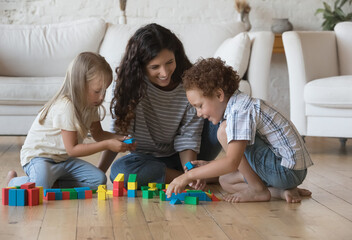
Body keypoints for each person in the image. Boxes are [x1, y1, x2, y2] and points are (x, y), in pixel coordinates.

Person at [166, 58, 313, 203]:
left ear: (219, 95)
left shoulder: (240, 110)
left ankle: (258, 190)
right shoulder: (238, 105)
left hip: (284, 170)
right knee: (226, 181)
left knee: (224, 131)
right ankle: (280, 192)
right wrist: (208, 167)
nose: (198, 113)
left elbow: (231, 162)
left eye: (199, 106)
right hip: (287, 172)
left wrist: (186, 177)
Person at [98, 23, 222, 188]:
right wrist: (98, 174)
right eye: (155, 67)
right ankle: (207, 176)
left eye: (169, 62)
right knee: (121, 172)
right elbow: (118, 133)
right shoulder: (127, 85)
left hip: (190, 153)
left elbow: (189, 137)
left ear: (176, 56)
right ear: (140, 67)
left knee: (223, 108)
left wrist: (190, 170)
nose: (164, 73)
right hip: (148, 159)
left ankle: (196, 175)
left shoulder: (189, 84)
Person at [6, 52, 135, 189]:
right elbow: (73, 149)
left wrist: (121, 138)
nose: (102, 97)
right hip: (39, 158)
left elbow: (98, 134)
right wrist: (107, 144)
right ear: (80, 85)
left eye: (105, 91)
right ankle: (13, 182)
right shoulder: (66, 107)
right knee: (40, 187)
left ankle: (52, 182)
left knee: (98, 180)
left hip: (63, 160)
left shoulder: (91, 104)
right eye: (97, 91)